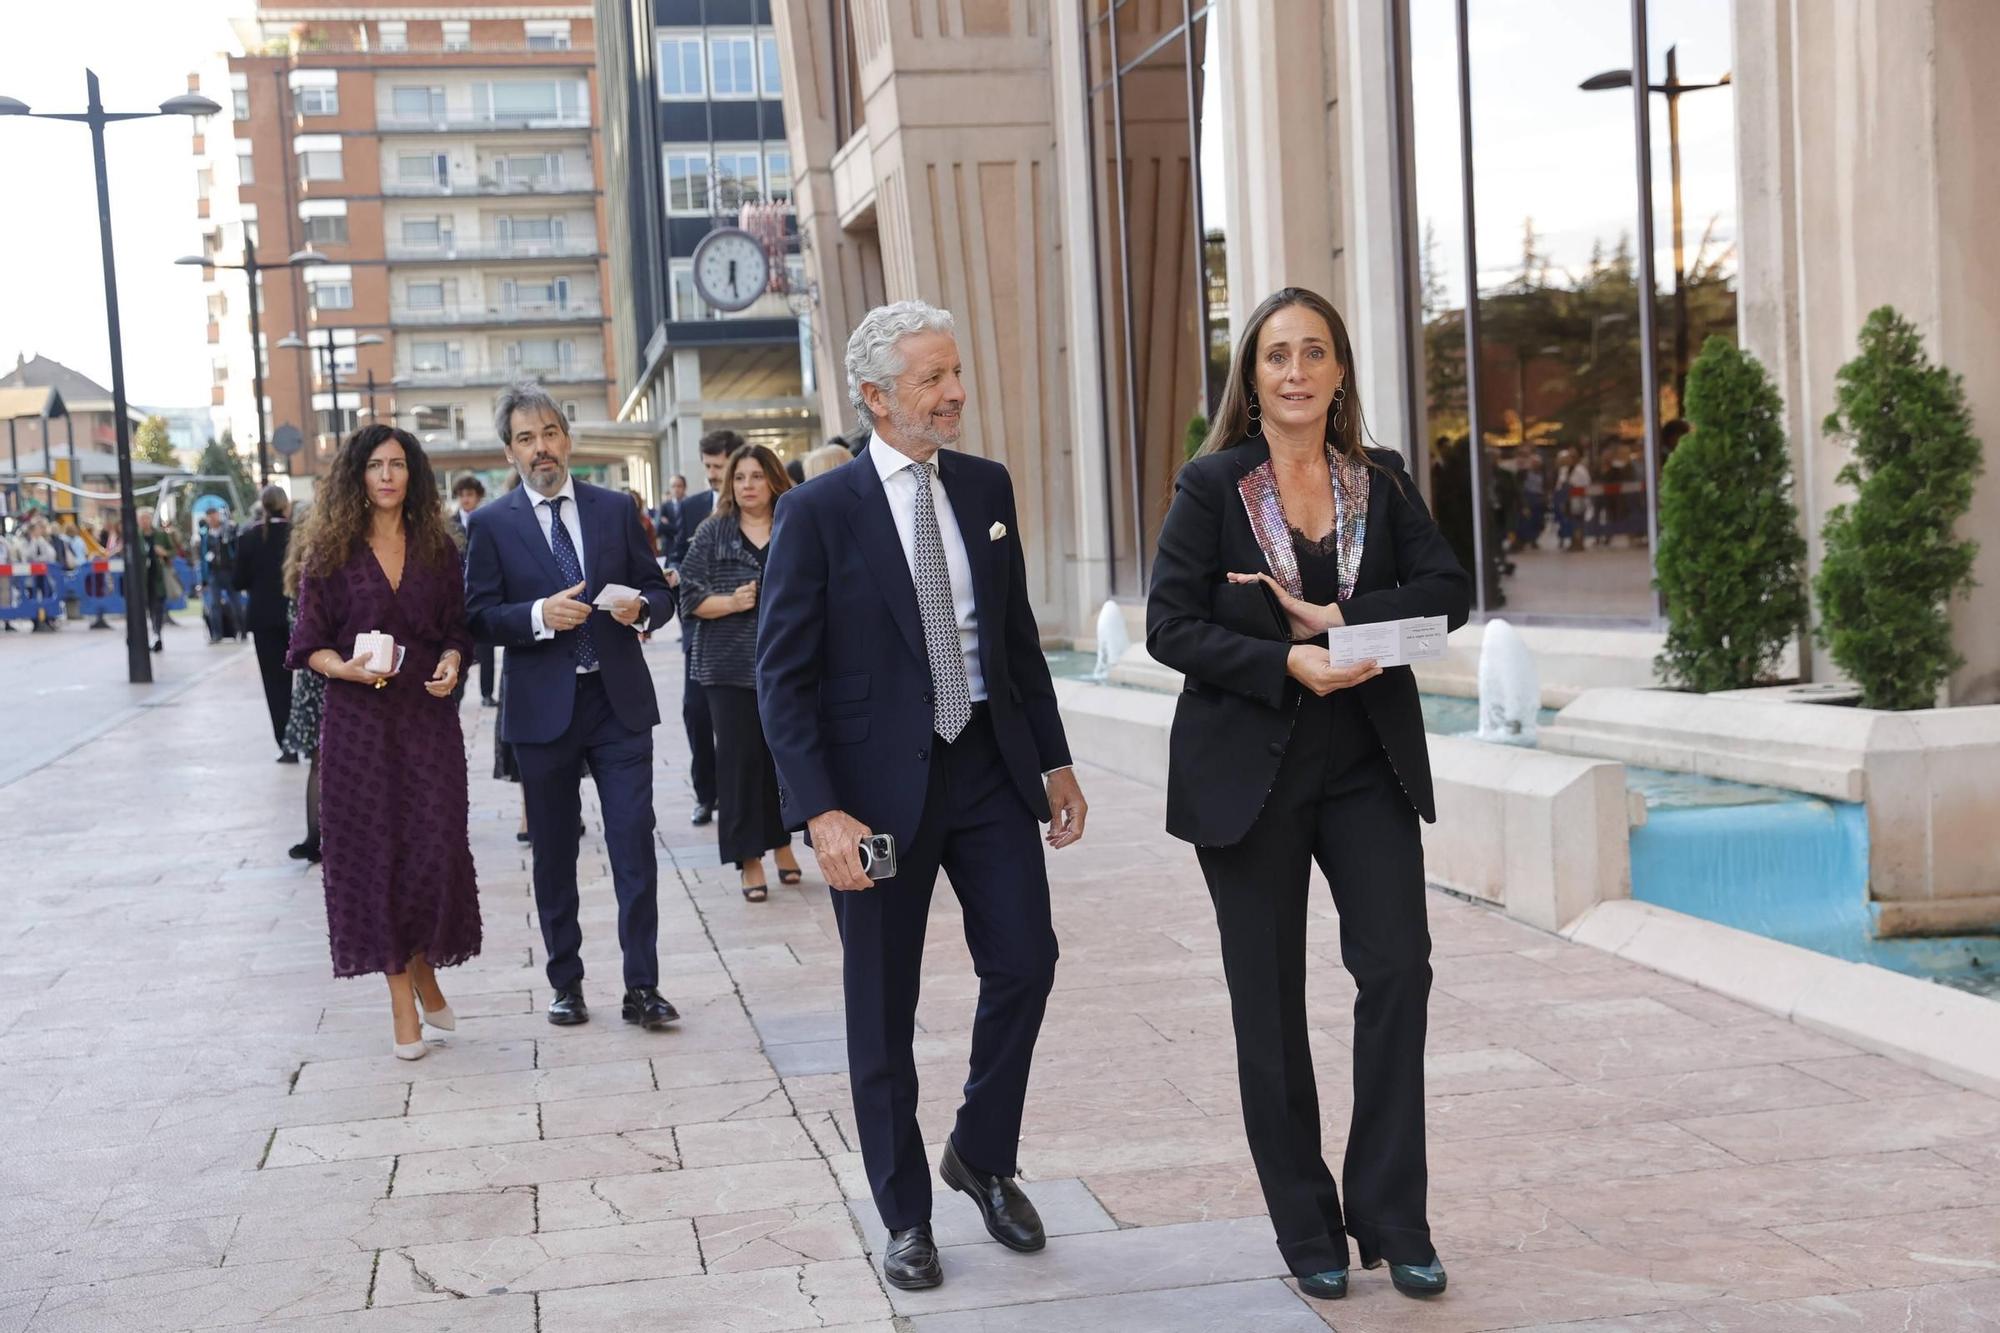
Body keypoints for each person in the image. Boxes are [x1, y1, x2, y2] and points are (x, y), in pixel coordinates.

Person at [1147, 287, 1471, 1303]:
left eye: (1314, 352)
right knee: (1268, 1005)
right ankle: (1305, 1226)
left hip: (1365, 764)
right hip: (1248, 773)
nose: (1294, 371)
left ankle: (1392, 1216)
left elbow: (1446, 595)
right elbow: (1166, 626)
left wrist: (1343, 629)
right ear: (1253, 374)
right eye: (1276, 353)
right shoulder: (1210, 486)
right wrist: (1284, 665)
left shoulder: (1381, 482)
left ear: (1338, 374)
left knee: (1397, 971)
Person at [757, 300, 1088, 1293]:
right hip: (873, 801)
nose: (954, 394)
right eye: (932, 380)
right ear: (873, 396)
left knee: (1025, 961)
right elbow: (782, 675)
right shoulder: (818, 511)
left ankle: (981, 1154)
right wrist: (819, 812)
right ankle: (904, 1213)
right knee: (879, 1005)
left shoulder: (984, 487)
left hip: (986, 769)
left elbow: (1013, 640)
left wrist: (1054, 759)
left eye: (954, 373)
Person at [463, 381, 679, 1032]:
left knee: (633, 842)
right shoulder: (491, 524)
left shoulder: (615, 509)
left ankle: (642, 985)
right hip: (541, 708)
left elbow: (658, 591)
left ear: (569, 437)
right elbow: (477, 616)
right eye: (526, 439)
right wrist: (536, 615)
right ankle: (567, 982)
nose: (541, 448)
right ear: (509, 452)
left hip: (616, 702)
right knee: (554, 851)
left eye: (549, 433)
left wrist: (644, 608)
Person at [285, 425, 481, 1061]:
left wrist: (453, 660)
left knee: (434, 850)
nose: (388, 475)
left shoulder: (437, 548)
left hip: (427, 721)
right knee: (377, 858)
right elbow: (307, 643)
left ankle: (423, 968)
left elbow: (458, 628)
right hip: (359, 729)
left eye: (399, 464)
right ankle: (403, 994)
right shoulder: (330, 552)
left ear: (413, 475)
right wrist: (343, 667)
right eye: (375, 465)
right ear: (357, 477)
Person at [679, 443, 804, 901]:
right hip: (727, 669)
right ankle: (748, 858)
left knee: (784, 761)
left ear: (773, 479)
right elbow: (687, 598)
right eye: (739, 477)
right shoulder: (713, 533)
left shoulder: (795, 524)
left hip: (789, 665)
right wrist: (731, 603)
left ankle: (781, 842)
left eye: (756, 476)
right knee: (738, 765)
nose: (747, 485)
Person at [665, 431, 738, 827]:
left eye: (718, 466)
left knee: (740, 720)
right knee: (696, 712)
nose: (711, 474)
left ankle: (739, 793)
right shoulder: (692, 508)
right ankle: (705, 794)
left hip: (745, 630)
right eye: (707, 466)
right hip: (700, 629)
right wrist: (675, 572)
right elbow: (677, 553)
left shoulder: (755, 504)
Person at [234, 486, 295, 761]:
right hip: (298, 615)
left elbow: (238, 581)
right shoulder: (297, 535)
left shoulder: (249, 538)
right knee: (308, 681)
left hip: (263, 618)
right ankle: (311, 738)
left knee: (275, 683)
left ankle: (286, 743)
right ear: (286, 506)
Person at [281, 503, 325, 863]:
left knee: (318, 760)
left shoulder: (296, 570)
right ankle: (321, 836)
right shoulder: (321, 568)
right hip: (328, 677)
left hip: (310, 681)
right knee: (331, 760)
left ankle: (315, 836)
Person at [448, 475, 498, 705]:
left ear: (478, 496)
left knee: (486, 647)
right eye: (462, 495)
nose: (466, 499)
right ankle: (456, 693)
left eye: (470, 495)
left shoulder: (489, 521)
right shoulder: (449, 524)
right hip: (457, 595)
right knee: (459, 646)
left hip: (482, 591)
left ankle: (487, 694)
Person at [196, 505, 244, 643]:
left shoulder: (229, 529)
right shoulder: (206, 534)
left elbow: (236, 547)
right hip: (214, 573)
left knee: (236, 603)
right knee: (214, 604)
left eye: (214, 515)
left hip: (229, 571)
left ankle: (242, 631)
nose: (212, 518)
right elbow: (203, 555)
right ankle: (217, 634)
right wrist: (204, 578)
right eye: (209, 516)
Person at [135, 507, 173, 650]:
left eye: (146, 518)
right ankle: (148, 637)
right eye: (141, 519)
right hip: (142, 580)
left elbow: (173, 551)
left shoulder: (160, 535)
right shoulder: (135, 536)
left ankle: (157, 634)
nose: (144, 521)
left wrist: (164, 553)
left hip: (158, 577)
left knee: (157, 608)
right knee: (147, 609)